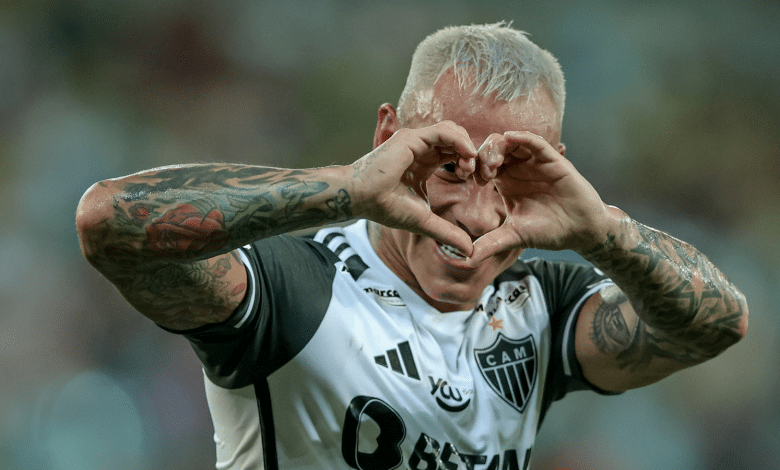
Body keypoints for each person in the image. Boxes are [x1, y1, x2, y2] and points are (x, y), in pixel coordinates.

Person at [75, 22, 747, 470]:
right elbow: (108, 222)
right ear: (388, 138)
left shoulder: (538, 305)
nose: (476, 215)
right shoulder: (295, 286)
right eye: (449, 167)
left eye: (509, 179)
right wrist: (345, 187)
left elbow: (717, 326)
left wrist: (604, 231)